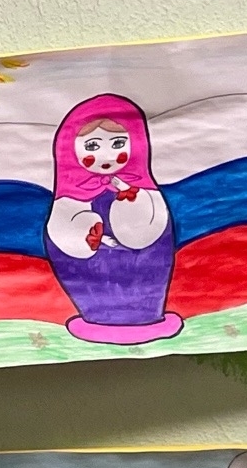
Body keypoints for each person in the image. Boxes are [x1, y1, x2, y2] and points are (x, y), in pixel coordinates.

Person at [42, 94, 181, 344]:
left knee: (145, 271)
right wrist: (84, 231)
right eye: (92, 146)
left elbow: (150, 232)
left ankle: (147, 316)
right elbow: (64, 239)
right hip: (91, 279)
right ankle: (96, 318)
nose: (106, 156)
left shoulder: (144, 190)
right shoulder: (69, 197)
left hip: (143, 273)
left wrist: (131, 204)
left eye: (117, 144)